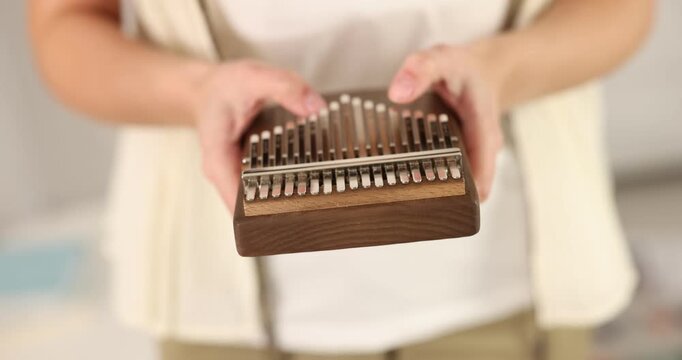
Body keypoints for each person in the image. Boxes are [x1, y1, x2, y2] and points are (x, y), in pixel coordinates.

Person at [28, 0, 653, 359]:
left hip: (514, 297)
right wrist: (193, 92)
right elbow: (66, 23)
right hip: (223, 318)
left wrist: (502, 70)